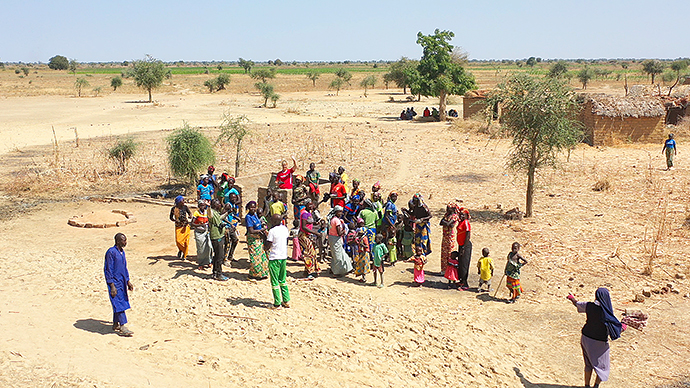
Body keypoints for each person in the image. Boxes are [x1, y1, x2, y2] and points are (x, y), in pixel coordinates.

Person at [567, 288, 625, 387]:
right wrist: (623, 325)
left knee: (588, 364)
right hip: (599, 343)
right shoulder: (606, 313)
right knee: (602, 366)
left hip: (586, 338)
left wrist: (571, 298)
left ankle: (586, 385)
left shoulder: (589, 306)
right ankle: (596, 385)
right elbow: (615, 330)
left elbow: (577, 304)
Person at [104, 233, 134, 337]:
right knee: (119, 303)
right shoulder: (111, 252)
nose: (125, 242)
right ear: (117, 241)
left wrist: (128, 281)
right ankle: (123, 326)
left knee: (120, 302)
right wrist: (111, 285)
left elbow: (124, 267)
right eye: (123, 240)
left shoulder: (122, 252)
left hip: (122, 281)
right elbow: (108, 269)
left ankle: (115, 324)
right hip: (115, 282)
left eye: (126, 240)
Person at [265, 213, 291, 309]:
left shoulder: (272, 231)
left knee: (275, 281)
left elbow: (267, 246)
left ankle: (277, 303)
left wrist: (265, 238)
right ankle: (286, 300)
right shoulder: (285, 229)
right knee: (282, 279)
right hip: (283, 256)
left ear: (275, 221)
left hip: (274, 257)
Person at [245, 201, 269, 279]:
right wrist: (260, 230)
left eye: (254, 207)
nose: (253, 209)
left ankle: (262, 273)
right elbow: (251, 230)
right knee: (255, 257)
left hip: (259, 239)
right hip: (253, 239)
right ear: (248, 208)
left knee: (262, 256)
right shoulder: (248, 217)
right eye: (251, 207)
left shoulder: (255, 215)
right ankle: (254, 275)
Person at [299, 199, 321, 279]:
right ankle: (309, 272)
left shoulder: (309, 213)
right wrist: (315, 233)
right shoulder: (304, 214)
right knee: (309, 253)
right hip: (303, 235)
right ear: (306, 205)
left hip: (308, 235)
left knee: (312, 252)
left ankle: (308, 271)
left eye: (312, 204)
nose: (311, 206)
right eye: (309, 204)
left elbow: (309, 223)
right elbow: (304, 227)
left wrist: (314, 223)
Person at [328, 206, 352, 276]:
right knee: (338, 256)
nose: (341, 213)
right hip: (336, 239)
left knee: (337, 255)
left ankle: (346, 268)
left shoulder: (332, 219)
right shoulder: (337, 221)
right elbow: (339, 233)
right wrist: (344, 231)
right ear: (336, 212)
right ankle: (337, 272)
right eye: (339, 212)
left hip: (332, 238)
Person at [209, 199, 228, 281]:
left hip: (219, 236)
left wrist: (227, 212)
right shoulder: (211, 213)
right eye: (218, 204)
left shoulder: (216, 212)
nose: (220, 204)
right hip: (216, 237)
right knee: (219, 256)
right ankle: (219, 274)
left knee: (217, 256)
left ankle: (215, 273)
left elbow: (220, 218)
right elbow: (219, 223)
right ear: (214, 205)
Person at [191, 200, 212, 270]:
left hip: (206, 231)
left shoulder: (207, 212)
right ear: (199, 206)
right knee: (201, 248)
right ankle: (201, 263)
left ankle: (209, 261)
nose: (203, 206)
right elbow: (192, 223)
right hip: (199, 233)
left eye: (204, 205)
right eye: (201, 205)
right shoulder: (196, 213)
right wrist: (200, 224)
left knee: (209, 246)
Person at [439, 203, 460, 273]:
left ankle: (450, 271)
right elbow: (441, 223)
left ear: (453, 209)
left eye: (449, 208)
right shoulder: (446, 215)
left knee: (450, 253)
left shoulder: (455, 216)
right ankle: (444, 270)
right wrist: (446, 223)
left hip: (450, 236)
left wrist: (446, 222)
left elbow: (449, 224)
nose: (447, 209)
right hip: (445, 236)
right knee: (444, 253)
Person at [169, 196, 192, 260]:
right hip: (178, 227)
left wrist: (190, 216)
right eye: (183, 200)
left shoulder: (185, 207)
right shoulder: (174, 209)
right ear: (179, 202)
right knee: (178, 241)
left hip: (185, 226)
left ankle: (185, 255)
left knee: (186, 242)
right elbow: (171, 217)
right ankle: (181, 250)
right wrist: (175, 220)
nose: (184, 201)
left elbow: (189, 213)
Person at [222, 194, 242, 264]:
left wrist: (236, 218)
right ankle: (224, 259)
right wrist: (230, 224)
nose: (234, 199)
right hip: (227, 227)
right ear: (229, 198)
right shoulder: (228, 205)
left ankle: (230, 256)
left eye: (235, 198)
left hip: (232, 226)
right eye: (232, 198)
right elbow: (222, 216)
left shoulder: (234, 205)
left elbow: (231, 214)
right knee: (227, 243)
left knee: (235, 240)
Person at [456, 208, 472, 290]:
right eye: (460, 214)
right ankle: (461, 280)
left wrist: (463, 248)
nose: (461, 215)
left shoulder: (466, 223)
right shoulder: (461, 222)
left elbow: (468, 236)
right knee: (461, 263)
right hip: (461, 245)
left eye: (463, 214)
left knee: (464, 264)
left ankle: (465, 283)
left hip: (465, 246)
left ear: (466, 216)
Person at [382, 191, 398, 264]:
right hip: (387, 224)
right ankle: (387, 256)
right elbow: (387, 216)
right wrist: (392, 224)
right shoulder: (389, 204)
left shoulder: (392, 204)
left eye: (396, 196)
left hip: (391, 224)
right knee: (388, 240)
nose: (395, 198)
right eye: (393, 196)